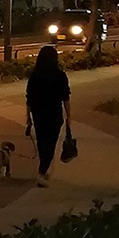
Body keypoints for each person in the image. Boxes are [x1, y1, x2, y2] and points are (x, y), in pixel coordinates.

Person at [25, 45, 71, 187]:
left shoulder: (34, 76)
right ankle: (42, 171)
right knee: (50, 143)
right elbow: (65, 97)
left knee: (41, 141)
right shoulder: (60, 75)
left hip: (38, 113)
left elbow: (29, 98)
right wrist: (69, 116)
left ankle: (43, 169)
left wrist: (28, 118)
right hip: (54, 113)